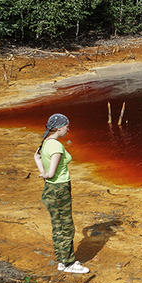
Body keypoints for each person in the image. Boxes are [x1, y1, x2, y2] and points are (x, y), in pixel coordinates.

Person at [33, 113, 89, 274]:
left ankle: (62, 261)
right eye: (66, 126)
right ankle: (69, 263)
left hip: (50, 189)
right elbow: (52, 173)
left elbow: (36, 157)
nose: (68, 129)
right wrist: (46, 173)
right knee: (66, 226)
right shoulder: (56, 146)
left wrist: (43, 172)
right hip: (60, 188)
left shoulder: (45, 143)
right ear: (59, 128)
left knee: (57, 225)